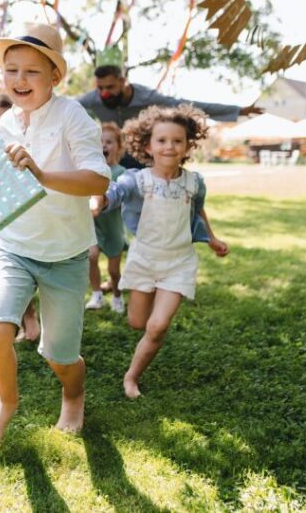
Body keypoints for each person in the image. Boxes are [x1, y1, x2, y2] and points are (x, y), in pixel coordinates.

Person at [0, 22, 110, 454]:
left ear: (54, 77)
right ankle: (6, 401)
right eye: (11, 70)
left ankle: (73, 393)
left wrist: (42, 174)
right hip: (14, 247)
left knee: (59, 356)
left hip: (66, 254)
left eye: (32, 71)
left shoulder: (73, 116)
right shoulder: (3, 124)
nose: (19, 79)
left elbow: (98, 179)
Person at [94, 104, 228, 398]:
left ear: (188, 146)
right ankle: (152, 296)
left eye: (177, 141)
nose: (169, 146)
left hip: (178, 263)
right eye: (162, 140)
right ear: (148, 146)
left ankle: (131, 377)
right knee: (137, 323)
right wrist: (99, 201)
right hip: (144, 260)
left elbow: (197, 212)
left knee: (156, 327)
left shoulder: (194, 183)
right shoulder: (136, 180)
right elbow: (115, 193)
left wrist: (212, 238)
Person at [76, 65, 263, 168]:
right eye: (100, 88)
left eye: (110, 87)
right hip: (112, 157)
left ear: (123, 81)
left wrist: (238, 111)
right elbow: (67, 107)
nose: (104, 93)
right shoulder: (92, 99)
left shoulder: (147, 97)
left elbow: (187, 105)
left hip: (142, 155)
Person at [0, 93, 41, 343]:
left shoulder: (25, 147)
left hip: (28, 219)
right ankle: (26, 317)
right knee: (4, 270)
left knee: (31, 267)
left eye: (0, 122)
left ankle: (35, 316)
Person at [85, 122, 127, 313]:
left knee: (114, 270)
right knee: (91, 257)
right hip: (93, 225)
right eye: (99, 142)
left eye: (109, 142)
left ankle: (117, 295)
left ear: (119, 147)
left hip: (112, 227)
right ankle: (97, 295)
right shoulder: (89, 173)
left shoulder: (121, 173)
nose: (103, 145)